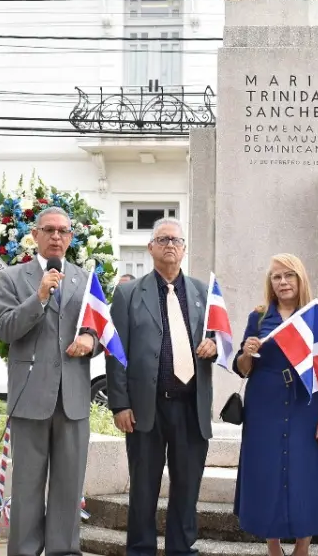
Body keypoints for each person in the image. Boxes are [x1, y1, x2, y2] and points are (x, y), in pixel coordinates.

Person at [0, 207, 100, 556]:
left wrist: (90, 341)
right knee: (26, 487)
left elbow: (97, 327)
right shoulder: (11, 278)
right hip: (30, 396)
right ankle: (23, 551)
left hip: (73, 398)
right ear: (34, 235)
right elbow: (6, 329)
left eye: (63, 231)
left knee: (69, 488)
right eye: (49, 230)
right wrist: (38, 297)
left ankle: (63, 551)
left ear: (71, 238)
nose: (56, 236)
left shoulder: (85, 279)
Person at [107, 219, 216, 556]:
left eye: (176, 240)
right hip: (145, 407)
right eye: (163, 239)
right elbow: (116, 350)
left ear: (184, 249)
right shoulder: (128, 293)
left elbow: (218, 338)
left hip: (190, 405)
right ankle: (140, 549)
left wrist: (213, 346)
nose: (170, 245)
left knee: (187, 486)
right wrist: (120, 403)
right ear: (151, 248)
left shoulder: (203, 292)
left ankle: (182, 549)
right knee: (143, 486)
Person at [234, 253, 318, 556]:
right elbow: (243, 368)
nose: (282, 282)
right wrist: (247, 352)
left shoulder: (316, 317)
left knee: (306, 473)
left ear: (300, 278)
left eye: (288, 275)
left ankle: (303, 547)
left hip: (305, 405)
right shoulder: (258, 317)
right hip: (264, 406)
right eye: (276, 276)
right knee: (267, 472)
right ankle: (272, 546)